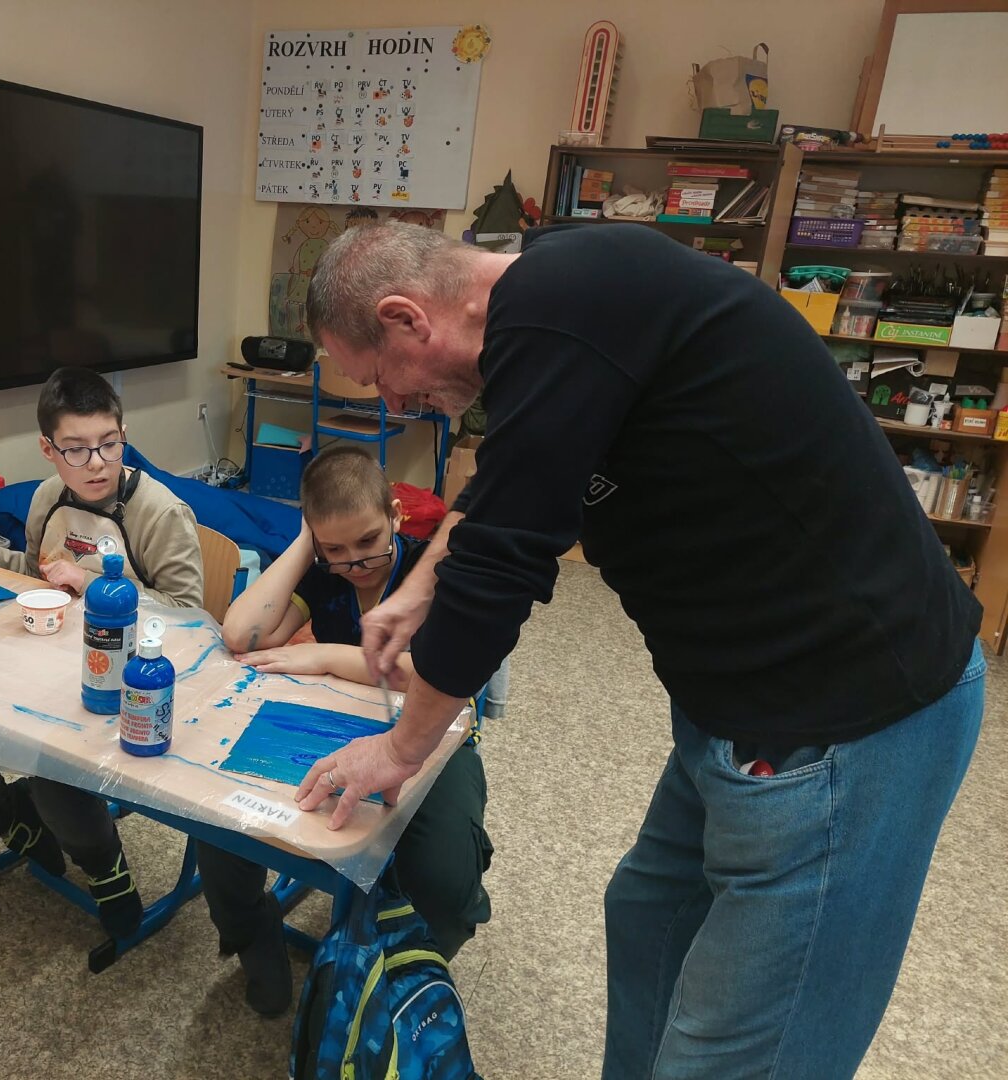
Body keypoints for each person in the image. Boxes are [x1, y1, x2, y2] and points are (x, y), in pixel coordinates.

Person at [294, 222, 984, 1078]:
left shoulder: (563, 308)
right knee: (651, 917)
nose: (394, 405)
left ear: (406, 318)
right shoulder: (544, 308)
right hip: (731, 700)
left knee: (738, 1052)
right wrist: (419, 586)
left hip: (848, 713)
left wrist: (402, 748)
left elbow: (502, 571)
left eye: (379, 378)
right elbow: (512, 479)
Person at [198, 445, 492, 1017]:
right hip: (330, 724)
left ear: (396, 517)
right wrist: (306, 545)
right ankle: (254, 935)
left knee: (447, 886)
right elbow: (241, 635)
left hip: (430, 739)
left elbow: (435, 677)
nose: (356, 563)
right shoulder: (325, 573)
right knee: (217, 822)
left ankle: (407, 969)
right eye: (336, 549)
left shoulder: (429, 573)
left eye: (367, 541)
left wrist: (329, 655)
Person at [0, 366, 204, 938]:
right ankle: (15, 825)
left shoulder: (159, 512)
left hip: (128, 682)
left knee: (50, 765)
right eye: (75, 450)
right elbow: (36, 570)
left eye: (109, 444)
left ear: (124, 435)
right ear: (48, 449)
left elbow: (191, 618)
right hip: (46, 659)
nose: (96, 463)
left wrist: (92, 583)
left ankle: (107, 871)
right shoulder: (47, 497)